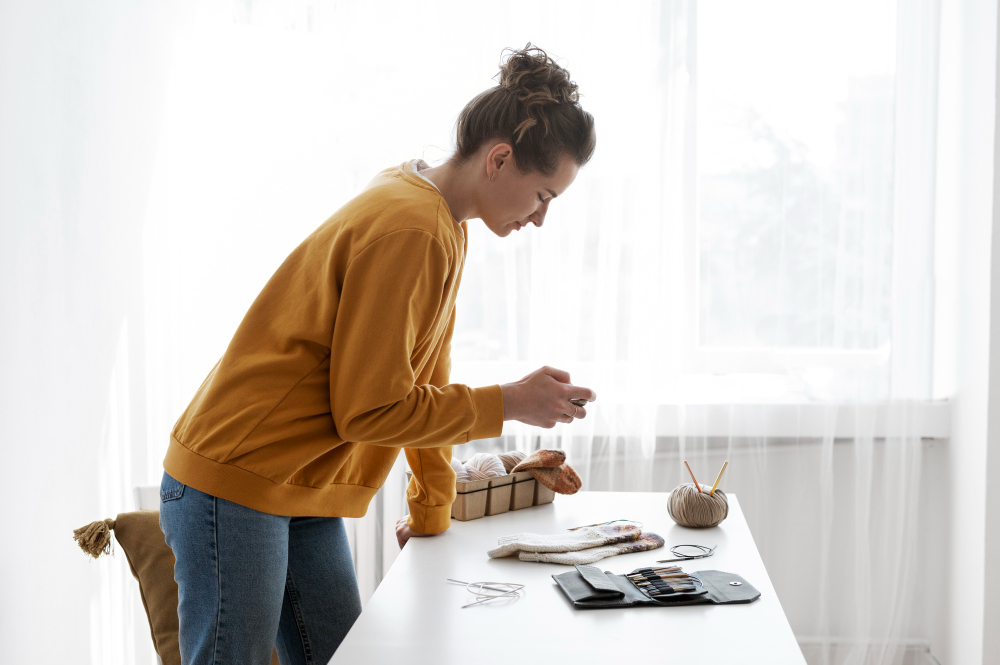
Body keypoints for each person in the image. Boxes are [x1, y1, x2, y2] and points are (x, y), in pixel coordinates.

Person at [158, 43, 597, 665]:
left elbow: (424, 377)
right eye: (545, 195)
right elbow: (368, 411)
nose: (541, 218)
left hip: (297, 480)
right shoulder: (411, 227)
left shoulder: (439, 218)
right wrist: (509, 403)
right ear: (500, 159)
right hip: (240, 477)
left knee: (345, 653)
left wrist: (431, 509)